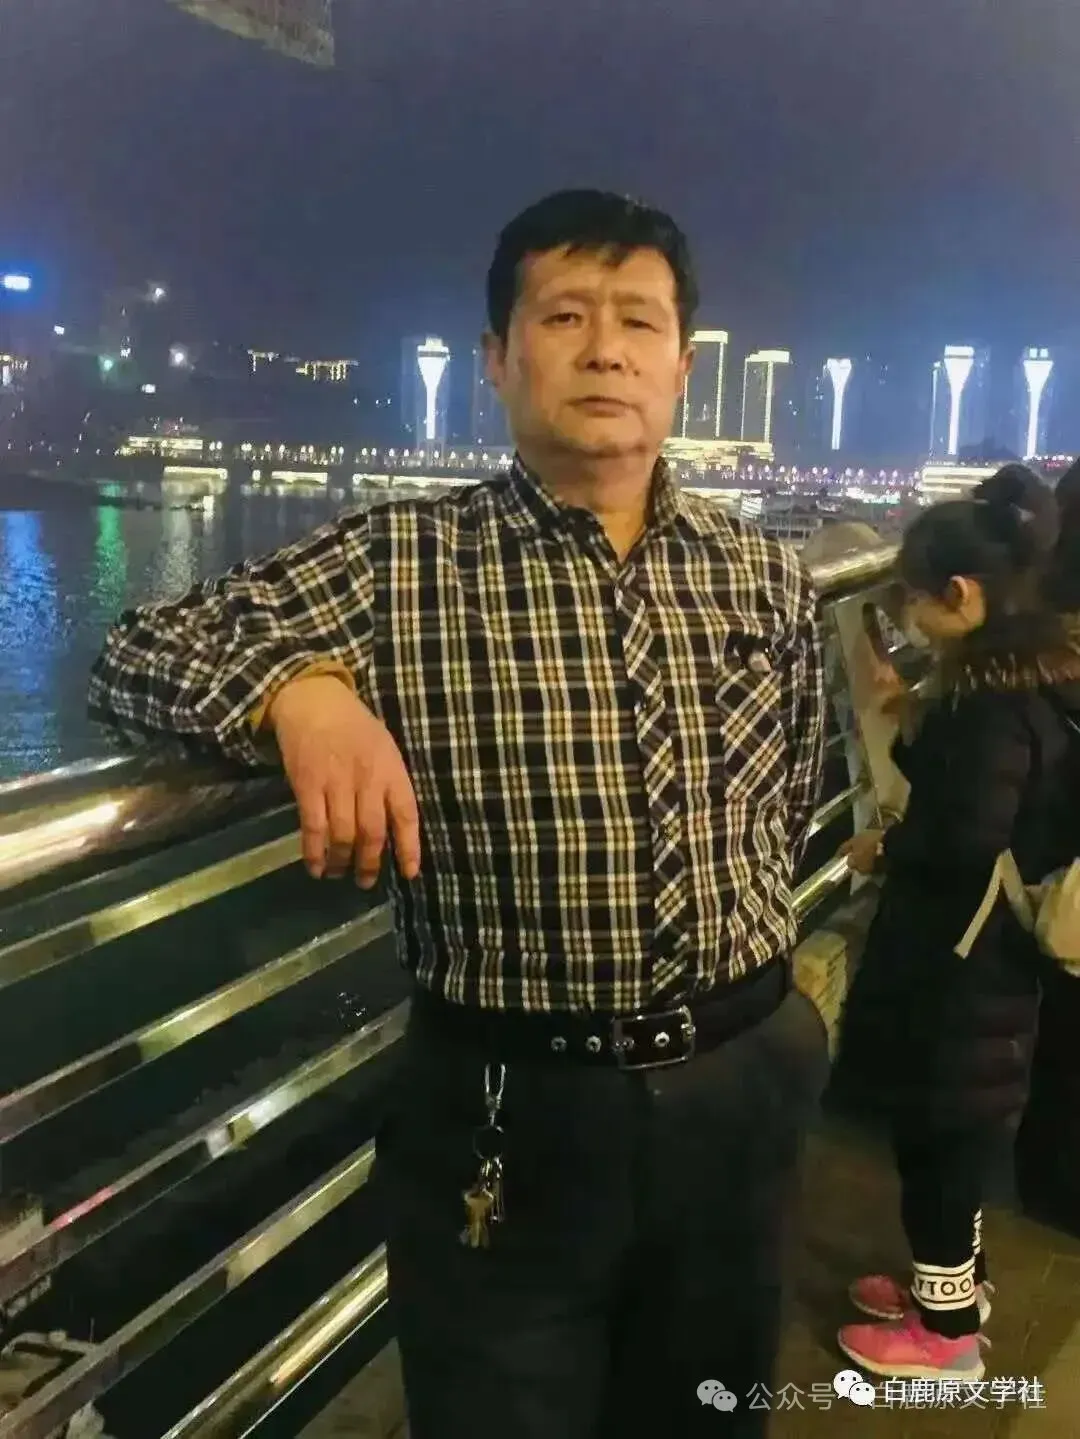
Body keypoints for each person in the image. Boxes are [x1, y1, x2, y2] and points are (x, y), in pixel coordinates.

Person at [87, 189, 829, 1437]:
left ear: (682, 366)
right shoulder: (403, 559)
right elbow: (136, 653)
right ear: (497, 357)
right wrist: (298, 689)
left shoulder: (763, 573)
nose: (605, 349)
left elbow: (793, 791)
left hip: (745, 1073)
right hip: (509, 1102)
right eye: (566, 316)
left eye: (639, 321)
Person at [833, 463, 1080, 1380]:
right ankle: (957, 1289)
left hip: (962, 962)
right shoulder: (1040, 672)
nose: (905, 613)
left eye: (913, 596)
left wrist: (885, 848)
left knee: (941, 1139)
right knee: (963, 1135)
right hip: (1002, 960)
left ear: (963, 594)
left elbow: (964, 834)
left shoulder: (988, 704)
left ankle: (946, 1341)